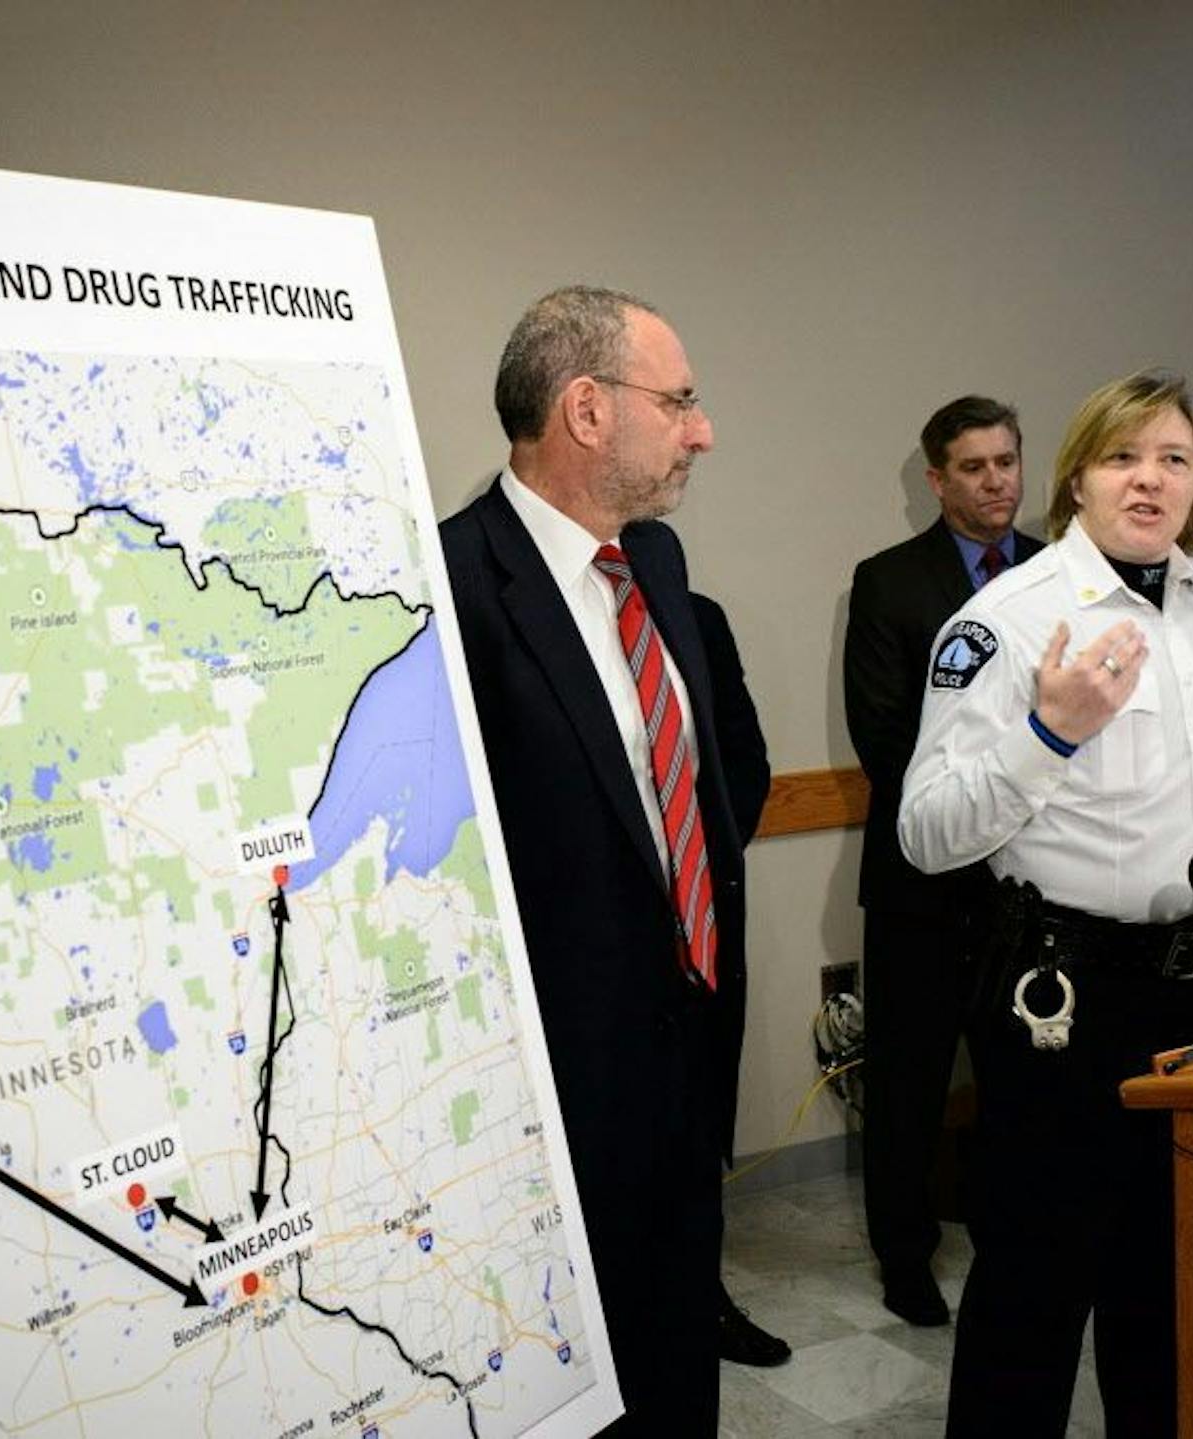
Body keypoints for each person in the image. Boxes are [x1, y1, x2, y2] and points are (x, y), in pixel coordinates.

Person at [896, 370, 1193, 1437]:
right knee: (1034, 1296)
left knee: (1176, 1281)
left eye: (1174, 458)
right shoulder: (1006, 618)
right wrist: (1048, 733)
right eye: (1122, 457)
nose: (1150, 478)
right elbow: (927, 831)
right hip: (1066, 1000)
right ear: (1078, 479)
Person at [440, 285, 746, 1433]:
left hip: (688, 1058)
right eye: (678, 401)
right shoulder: (454, 589)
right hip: (554, 1099)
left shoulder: (655, 567)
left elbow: (700, 791)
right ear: (585, 409)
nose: (701, 429)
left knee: (678, 1379)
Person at [842, 396, 1041, 1327]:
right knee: (910, 1084)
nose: (996, 481)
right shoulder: (888, 584)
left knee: (1022, 1083)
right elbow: (889, 741)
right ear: (936, 479)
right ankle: (905, 1257)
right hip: (923, 883)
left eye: (1006, 461)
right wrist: (1005, 791)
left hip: (1034, 889)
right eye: (974, 467)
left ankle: (1017, 1239)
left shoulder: (1059, 574)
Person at [690, 590, 789, 1368]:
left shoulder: (700, 618)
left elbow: (745, 761)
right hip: (593, 939)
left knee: (700, 1114)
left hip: (704, 918)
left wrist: (706, 862)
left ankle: (703, 1298)